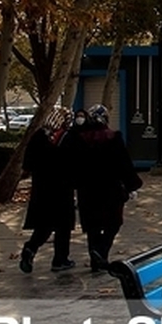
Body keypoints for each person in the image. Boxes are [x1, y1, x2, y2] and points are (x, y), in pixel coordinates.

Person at [63, 104, 143, 273]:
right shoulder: (113, 137)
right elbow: (124, 164)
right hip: (111, 189)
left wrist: (73, 184)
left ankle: (96, 259)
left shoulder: (79, 139)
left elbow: (71, 165)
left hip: (87, 190)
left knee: (92, 225)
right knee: (113, 223)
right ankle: (101, 251)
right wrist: (132, 185)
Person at [18, 108, 76, 273]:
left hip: (41, 189)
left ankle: (31, 248)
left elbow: (27, 164)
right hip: (62, 190)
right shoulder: (67, 138)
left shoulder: (38, 136)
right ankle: (60, 259)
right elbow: (74, 164)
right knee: (63, 226)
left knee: (44, 225)